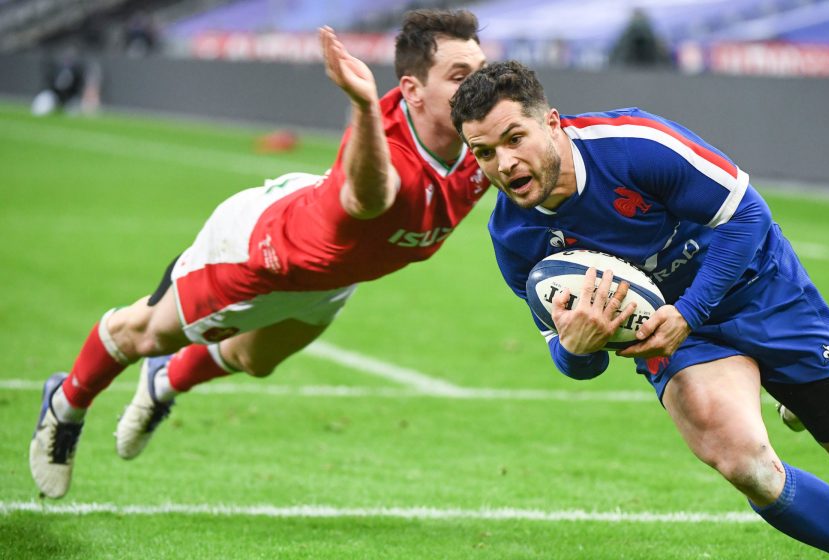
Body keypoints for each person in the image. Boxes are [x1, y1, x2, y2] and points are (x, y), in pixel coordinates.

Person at [450, 61, 829, 559]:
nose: (504, 163)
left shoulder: (635, 146)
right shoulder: (515, 238)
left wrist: (690, 311)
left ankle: (792, 398)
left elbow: (749, 214)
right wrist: (576, 348)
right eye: (484, 153)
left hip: (756, 286)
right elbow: (573, 362)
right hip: (674, 338)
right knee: (747, 466)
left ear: (552, 123)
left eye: (514, 138)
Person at [29, 9, 488, 499]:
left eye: (480, 72)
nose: (476, 88)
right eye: (459, 77)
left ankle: (164, 381)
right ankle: (66, 402)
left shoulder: (484, 139)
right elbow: (370, 199)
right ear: (413, 91)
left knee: (255, 359)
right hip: (261, 251)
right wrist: (363, 106)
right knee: (144, 334)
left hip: (332, 274)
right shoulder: (383, 142)